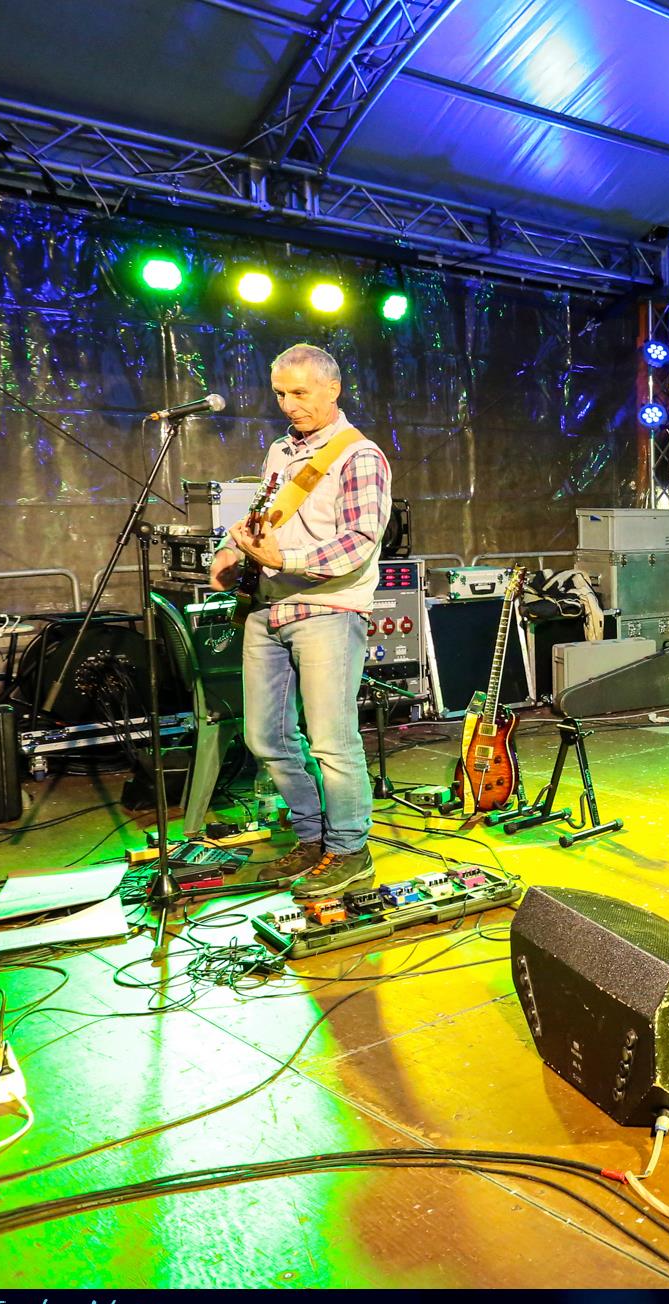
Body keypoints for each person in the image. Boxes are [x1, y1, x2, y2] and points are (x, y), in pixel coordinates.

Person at [210, 344, 392, 899]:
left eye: (300, 393)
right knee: (264, 737)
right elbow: (266, 519)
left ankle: (350, 850)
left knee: (332, 742)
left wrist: (284, 560)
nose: (288, 404)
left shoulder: (359, 456)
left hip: (327, 611)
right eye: (280, 394)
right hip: (267, 608)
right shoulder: (280, 452)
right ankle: (313, 840)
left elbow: (359, 543)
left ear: (333, 389)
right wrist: (232, 551)